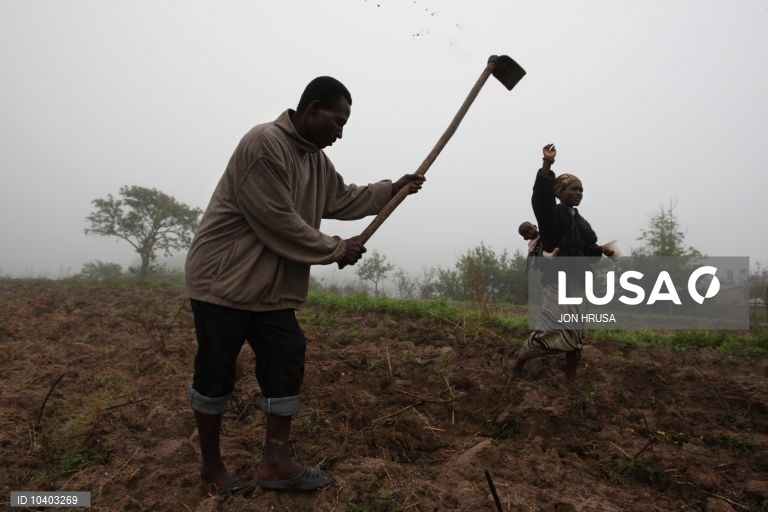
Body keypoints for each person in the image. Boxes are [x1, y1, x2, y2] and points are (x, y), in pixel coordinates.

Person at [184, 76, 425, 498]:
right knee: (215, 373)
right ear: (312, 109)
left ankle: (276, 462)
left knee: (286, 359)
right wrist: (336, 249)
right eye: (337, 120)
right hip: (224, 281)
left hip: (272, 288)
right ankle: (211, 467)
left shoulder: (314, 159)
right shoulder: (263, 144)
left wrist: (393, 189)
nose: (341, 132)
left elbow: (344, 199)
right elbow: (276, 218)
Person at [510, 143, 613, 386]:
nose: (579, 193)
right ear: (559, 192)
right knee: (547, 331)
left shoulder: (583, 223)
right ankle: (518, 363)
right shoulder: (551, 217)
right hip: (557, 283)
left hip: (579, 284)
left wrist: (601, 250)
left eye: (581, 191)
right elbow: (540, 199)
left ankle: (570, 381)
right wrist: (547, 164)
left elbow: (589, 249)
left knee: (576, 334)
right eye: (573, 189)